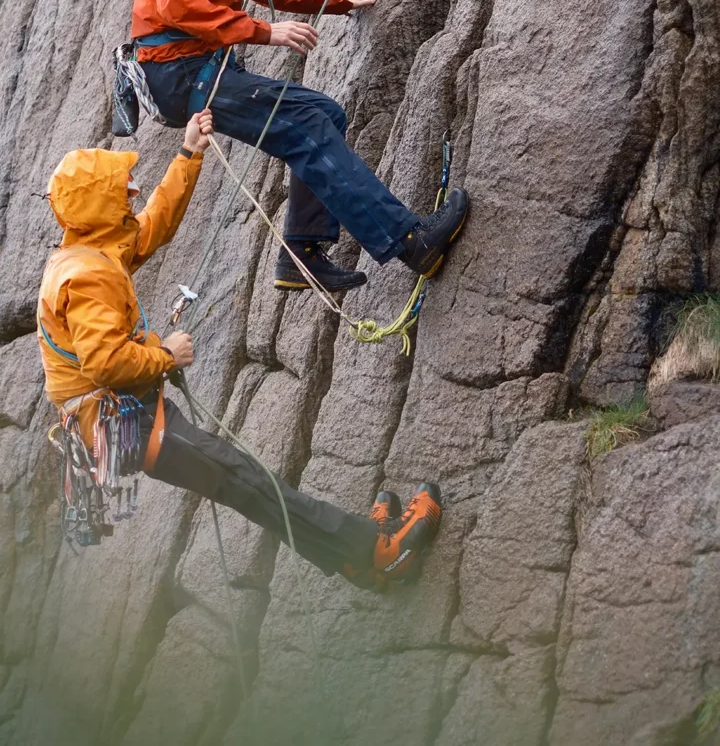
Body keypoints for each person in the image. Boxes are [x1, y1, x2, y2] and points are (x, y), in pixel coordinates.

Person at [36, 109, 442, 589]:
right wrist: (166, 356)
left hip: (119, 416)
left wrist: (189, 153)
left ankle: (355, 561)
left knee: (246, 486)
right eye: (121, 189)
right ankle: (375, 550)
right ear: (98, 204)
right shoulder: (87, 275)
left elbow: (152, 227)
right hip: (122, 422)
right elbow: (104, 362)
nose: (134, 192)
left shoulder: (90, 250)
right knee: (247, 482)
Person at [131, 0, 468, 294]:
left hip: (190, 69)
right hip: (179, 72)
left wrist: (339, 1)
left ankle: (301, 255)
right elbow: (175, 1)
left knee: (321, 114)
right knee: (308, 121)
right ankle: (411, 241)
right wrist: (263, 32)